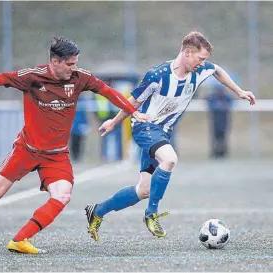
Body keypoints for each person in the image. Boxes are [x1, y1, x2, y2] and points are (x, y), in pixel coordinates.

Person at [0, 37, 149, 254]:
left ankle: (20, 239)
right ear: (55, 61)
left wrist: (134, 112)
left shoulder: (81, 77)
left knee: (63, 195)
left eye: (75, 63)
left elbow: (107, 91)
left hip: (56, 155)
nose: (74, 68)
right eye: (69, 64)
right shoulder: (31, 77)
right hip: (26, 149)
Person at [85, 31, 256, 241]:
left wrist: (238, 91)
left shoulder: (201, 70)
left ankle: (97, 211)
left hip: (162, 132)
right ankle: (151, 214)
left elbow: (217, 70)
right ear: (187, 52)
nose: (203, 64)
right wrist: (113, 122)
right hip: (145, 128)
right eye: (200, 58)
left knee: (144, 190)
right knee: (170, 159)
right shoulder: (157, 75)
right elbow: (133, 102)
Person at [206, 84, 234, 158]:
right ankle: (215, 152)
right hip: (215, 122)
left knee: (223, 138)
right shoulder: (212, 97)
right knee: (215, 137)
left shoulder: (226, 98)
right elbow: (208, 101)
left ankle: (223, 153)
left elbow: (230, 104)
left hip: (224, 122)